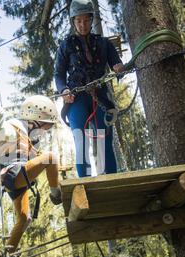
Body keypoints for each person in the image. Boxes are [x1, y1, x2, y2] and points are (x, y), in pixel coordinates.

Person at [0, 88, 62, 257]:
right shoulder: (13, 128)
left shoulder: (30, 139)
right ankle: (56, 195)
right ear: (35, 120)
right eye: (45, 128)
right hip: (13, 174)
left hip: (15, 179)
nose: (44, 133)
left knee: (24, 219)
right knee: (51, 157)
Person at [54, 0, 126, 177]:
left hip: (100, 96)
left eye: (86, 20)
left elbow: (117, 65)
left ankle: (109, 179)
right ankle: (84, 183)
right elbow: (58, 74)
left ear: (91, 20)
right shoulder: (66, 45)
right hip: (76, 98)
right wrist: (64, 90)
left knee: (103, 138)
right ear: (73, 22)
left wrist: (119, 68)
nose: (82, 25)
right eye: (78, 21)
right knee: (80, 139)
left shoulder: (104, 43)